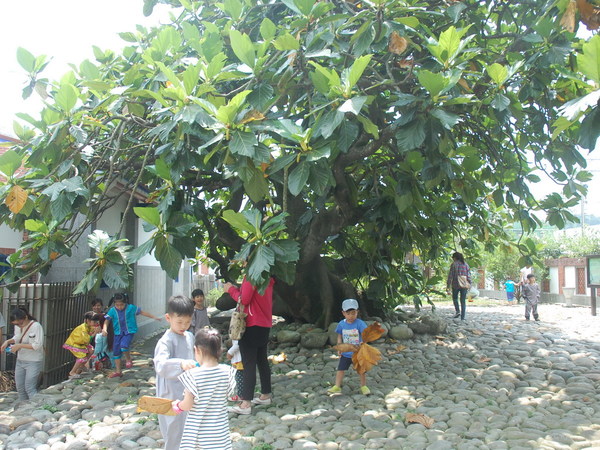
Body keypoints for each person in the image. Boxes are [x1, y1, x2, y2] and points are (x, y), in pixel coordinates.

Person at [172, 327, 236, 449]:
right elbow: (230, 394)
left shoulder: (192, 376)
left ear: (197, 350)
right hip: (220, 435)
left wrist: (177, 405)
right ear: (219, 350)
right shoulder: (227, 372)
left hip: (198, 436)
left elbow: (188, 405)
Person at [224, 277, 274, 415]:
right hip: (265, 323)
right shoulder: (267, 277)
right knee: (262, 360)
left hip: (251, 324)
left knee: (248, 363)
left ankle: (245, 403)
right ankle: (266, 394)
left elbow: (244, 299)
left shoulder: (252, 276)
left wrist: (231, 290)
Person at [154, 295, 198, 450]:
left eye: (187, 322)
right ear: (168, 318)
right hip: (171, 392)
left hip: (188, 390)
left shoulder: (190, 336)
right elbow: (160, 365)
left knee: (189, 427)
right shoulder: (165, 341)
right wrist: (181, 363)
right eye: (179, 322)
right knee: (173, 428)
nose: (183, 326)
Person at [103, 293, 162, 378]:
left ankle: (128, 359)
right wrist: (104, 329)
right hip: (118, 333)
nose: (119, 307)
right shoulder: (112, 310)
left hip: (129, 331)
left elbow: (142, 312)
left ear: (125, 303)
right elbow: (107, 320)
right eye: (117, 305)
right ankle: (118, 371)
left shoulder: (131, 308)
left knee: (124, 346)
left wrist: (154, 317)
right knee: (116, 352)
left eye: (122, 305)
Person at [0, 307, 44, 401]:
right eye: (16, 324)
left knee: (29, 388)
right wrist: (8, 341)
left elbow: (37, 345)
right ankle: (23, 409)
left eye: (21, 323)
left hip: (33, 361)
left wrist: (20, 346)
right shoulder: (18, 327)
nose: (19, 326)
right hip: (20, 360)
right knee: (20, 388)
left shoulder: (36, 326)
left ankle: (36, 407)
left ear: (26, 317)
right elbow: (17, 337)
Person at [327, 298, 370, 395]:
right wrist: (339, 347)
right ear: (343, 313)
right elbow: (339, 336)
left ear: (357, 312)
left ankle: (363, 386)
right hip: (345, 353)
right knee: (340, 369)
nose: (351, 316)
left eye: (353, 313)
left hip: (357, 353)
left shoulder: (359, 323)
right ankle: (337, 386)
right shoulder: (341, 324)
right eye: (348, 313)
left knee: (361, 370)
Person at [62, 311, 102, 379]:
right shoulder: (83, 328)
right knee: (82, 357)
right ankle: (72, 372)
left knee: (91, 350)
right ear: (88, 320)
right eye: (94, 322)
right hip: (75, 344)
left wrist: (97, 330)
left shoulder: (89, 326)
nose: (95, 323)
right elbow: (87, 340)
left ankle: (82, 365)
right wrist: (95, 333)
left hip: (81, 344)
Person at [447, 251, 471, 320]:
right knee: (463, 301)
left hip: (455, 284)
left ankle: (457, 311)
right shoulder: (466, 265)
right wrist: (469, 284)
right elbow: (469, 275)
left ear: (455, 258)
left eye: (453, 258)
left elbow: (450, 276)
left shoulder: (454, 264)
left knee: (455, 298)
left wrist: (448, 285)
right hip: (464, 285)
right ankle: (463, 317)